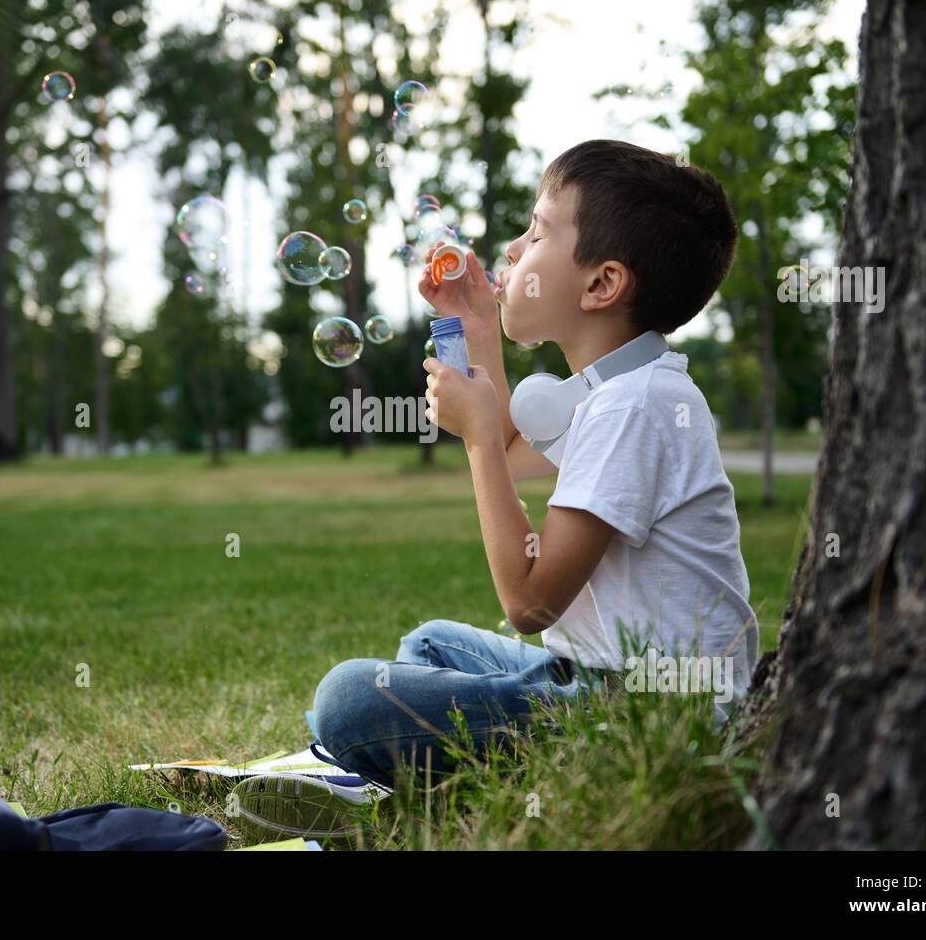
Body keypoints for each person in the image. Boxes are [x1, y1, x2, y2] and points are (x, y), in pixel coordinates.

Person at [240, 140, 759, 836]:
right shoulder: (624, 388)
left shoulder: (634, 409)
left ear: (602, 284)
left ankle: (417, 778)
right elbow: (518, 458)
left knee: (348, 701)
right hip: (603, 680)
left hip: (644, 712)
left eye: (539, 231)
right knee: (428, 645)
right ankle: (441, 773)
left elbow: (530, 601)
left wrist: (480, 435)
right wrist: (477, 327)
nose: (514, 248)